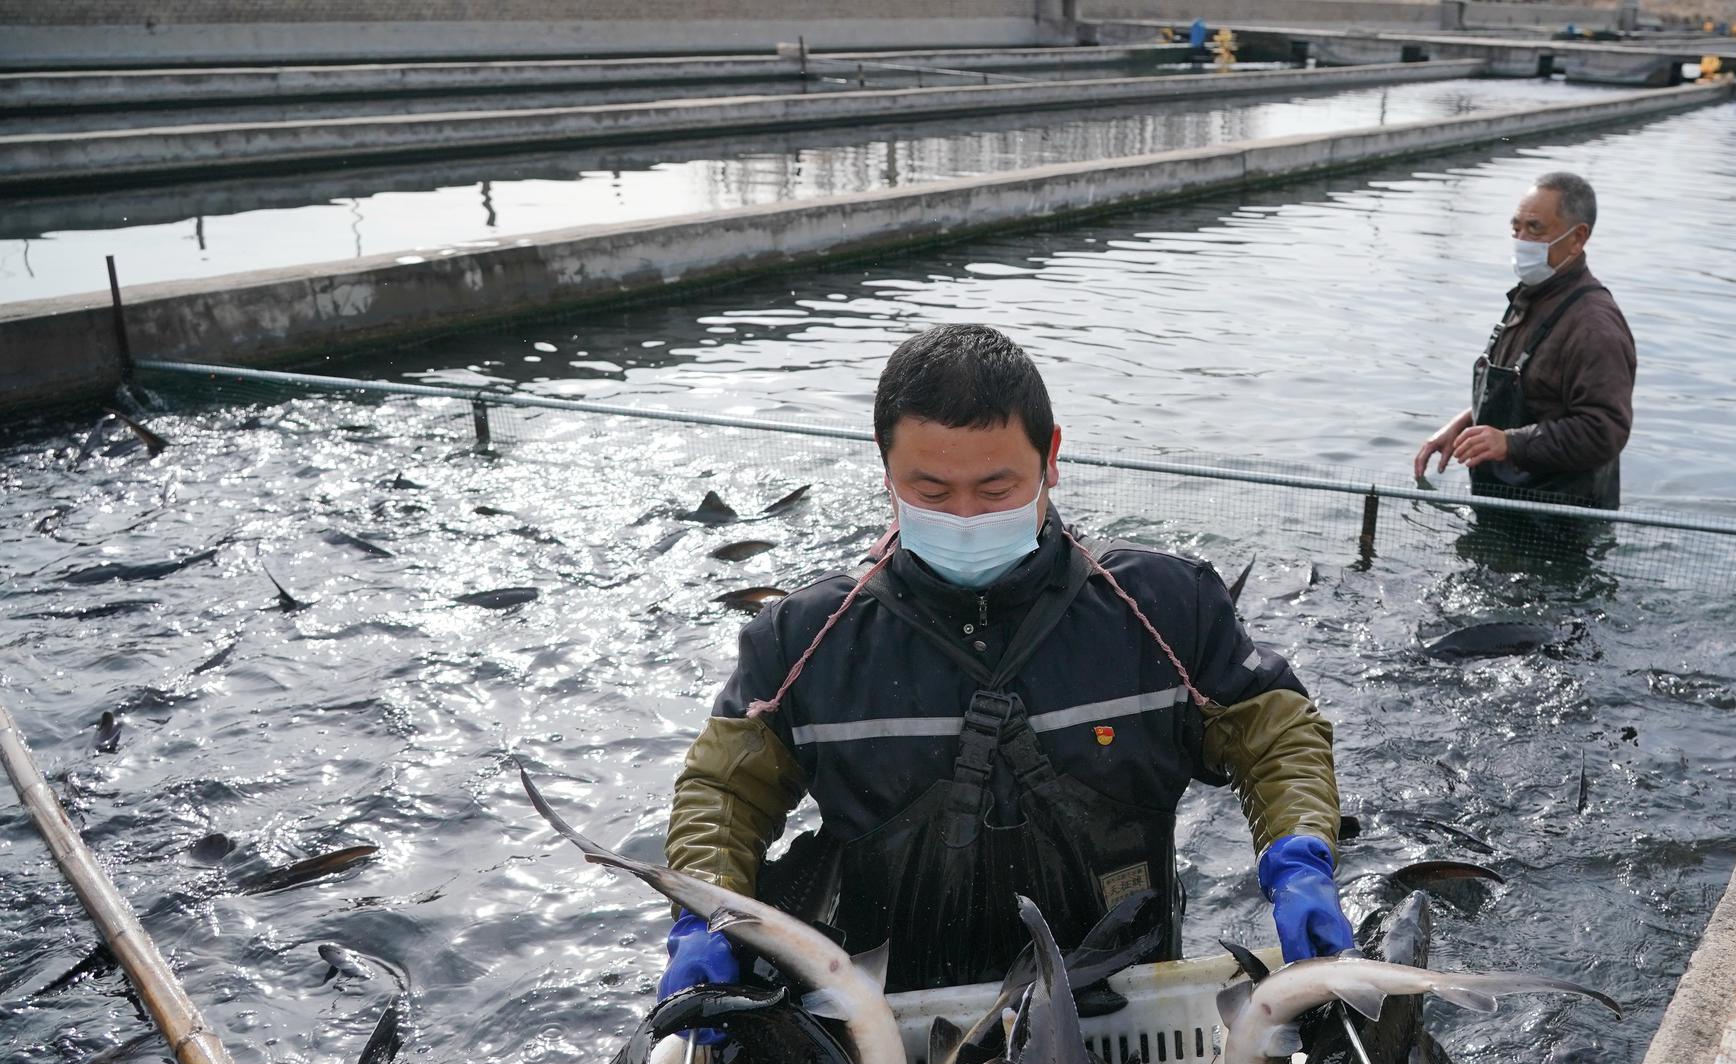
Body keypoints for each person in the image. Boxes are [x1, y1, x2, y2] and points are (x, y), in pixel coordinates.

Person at [656, 324, 1348, 997]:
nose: (964, 515)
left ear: (1051, 457)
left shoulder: (1166, 609)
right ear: (884, 464)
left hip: (1129, 993)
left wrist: (1298, 856)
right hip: (890, 1010)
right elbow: (726, 789)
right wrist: (705, 909)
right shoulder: (801, 640)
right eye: (929, 492)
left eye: (996, 490)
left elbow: (1274, 732)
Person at [1413, 171, 1636, 512]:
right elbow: (1534, 391)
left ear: (1577, 239)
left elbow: (1603, 431)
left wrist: (1509, 444)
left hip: (1557, 521)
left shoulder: (1595, 326)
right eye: (1516, 227)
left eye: (1535, 229)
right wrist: (1467, 421)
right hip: (1503, 503)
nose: (1520, 239)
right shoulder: (1531, 298)